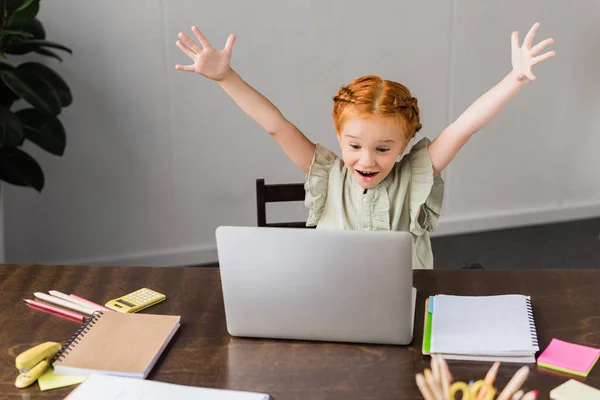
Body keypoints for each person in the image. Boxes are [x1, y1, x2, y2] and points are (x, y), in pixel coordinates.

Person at [175, 22, 555, 269]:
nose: (366, 160)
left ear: (405, 143)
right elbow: (276, 125)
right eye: (354, 145)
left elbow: (464, 127)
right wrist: (226, 78)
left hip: (408, 297)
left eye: (383, 149)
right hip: (330, 297)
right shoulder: (325, 171)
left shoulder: (415, 175)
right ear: (339, 138)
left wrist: (516, 79)